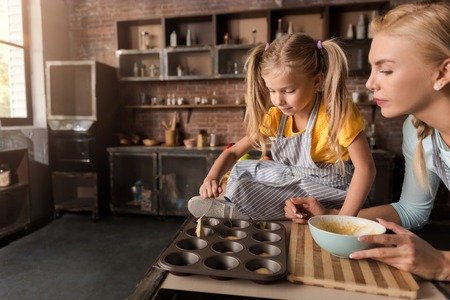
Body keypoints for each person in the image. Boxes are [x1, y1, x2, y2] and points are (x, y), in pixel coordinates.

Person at [284, 2, 450, 281]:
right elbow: (411, 211)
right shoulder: (418, 131)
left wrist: (442, 264)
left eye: (385, 70)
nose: (370, 83)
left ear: (442, 73)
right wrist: (335, 215)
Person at [188, 32, 375, 220]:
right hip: (296, 180)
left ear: (316, 81)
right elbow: (233, 152)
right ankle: (239, 204)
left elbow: (366, 169)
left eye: (288, 90)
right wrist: (212, 177)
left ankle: (242, 209)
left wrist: (342, 220)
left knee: (252, 188)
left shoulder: (336, 112)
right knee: (241, 169)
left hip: (331, 191)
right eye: (272, 90)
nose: (278, 100)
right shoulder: (277, 117)